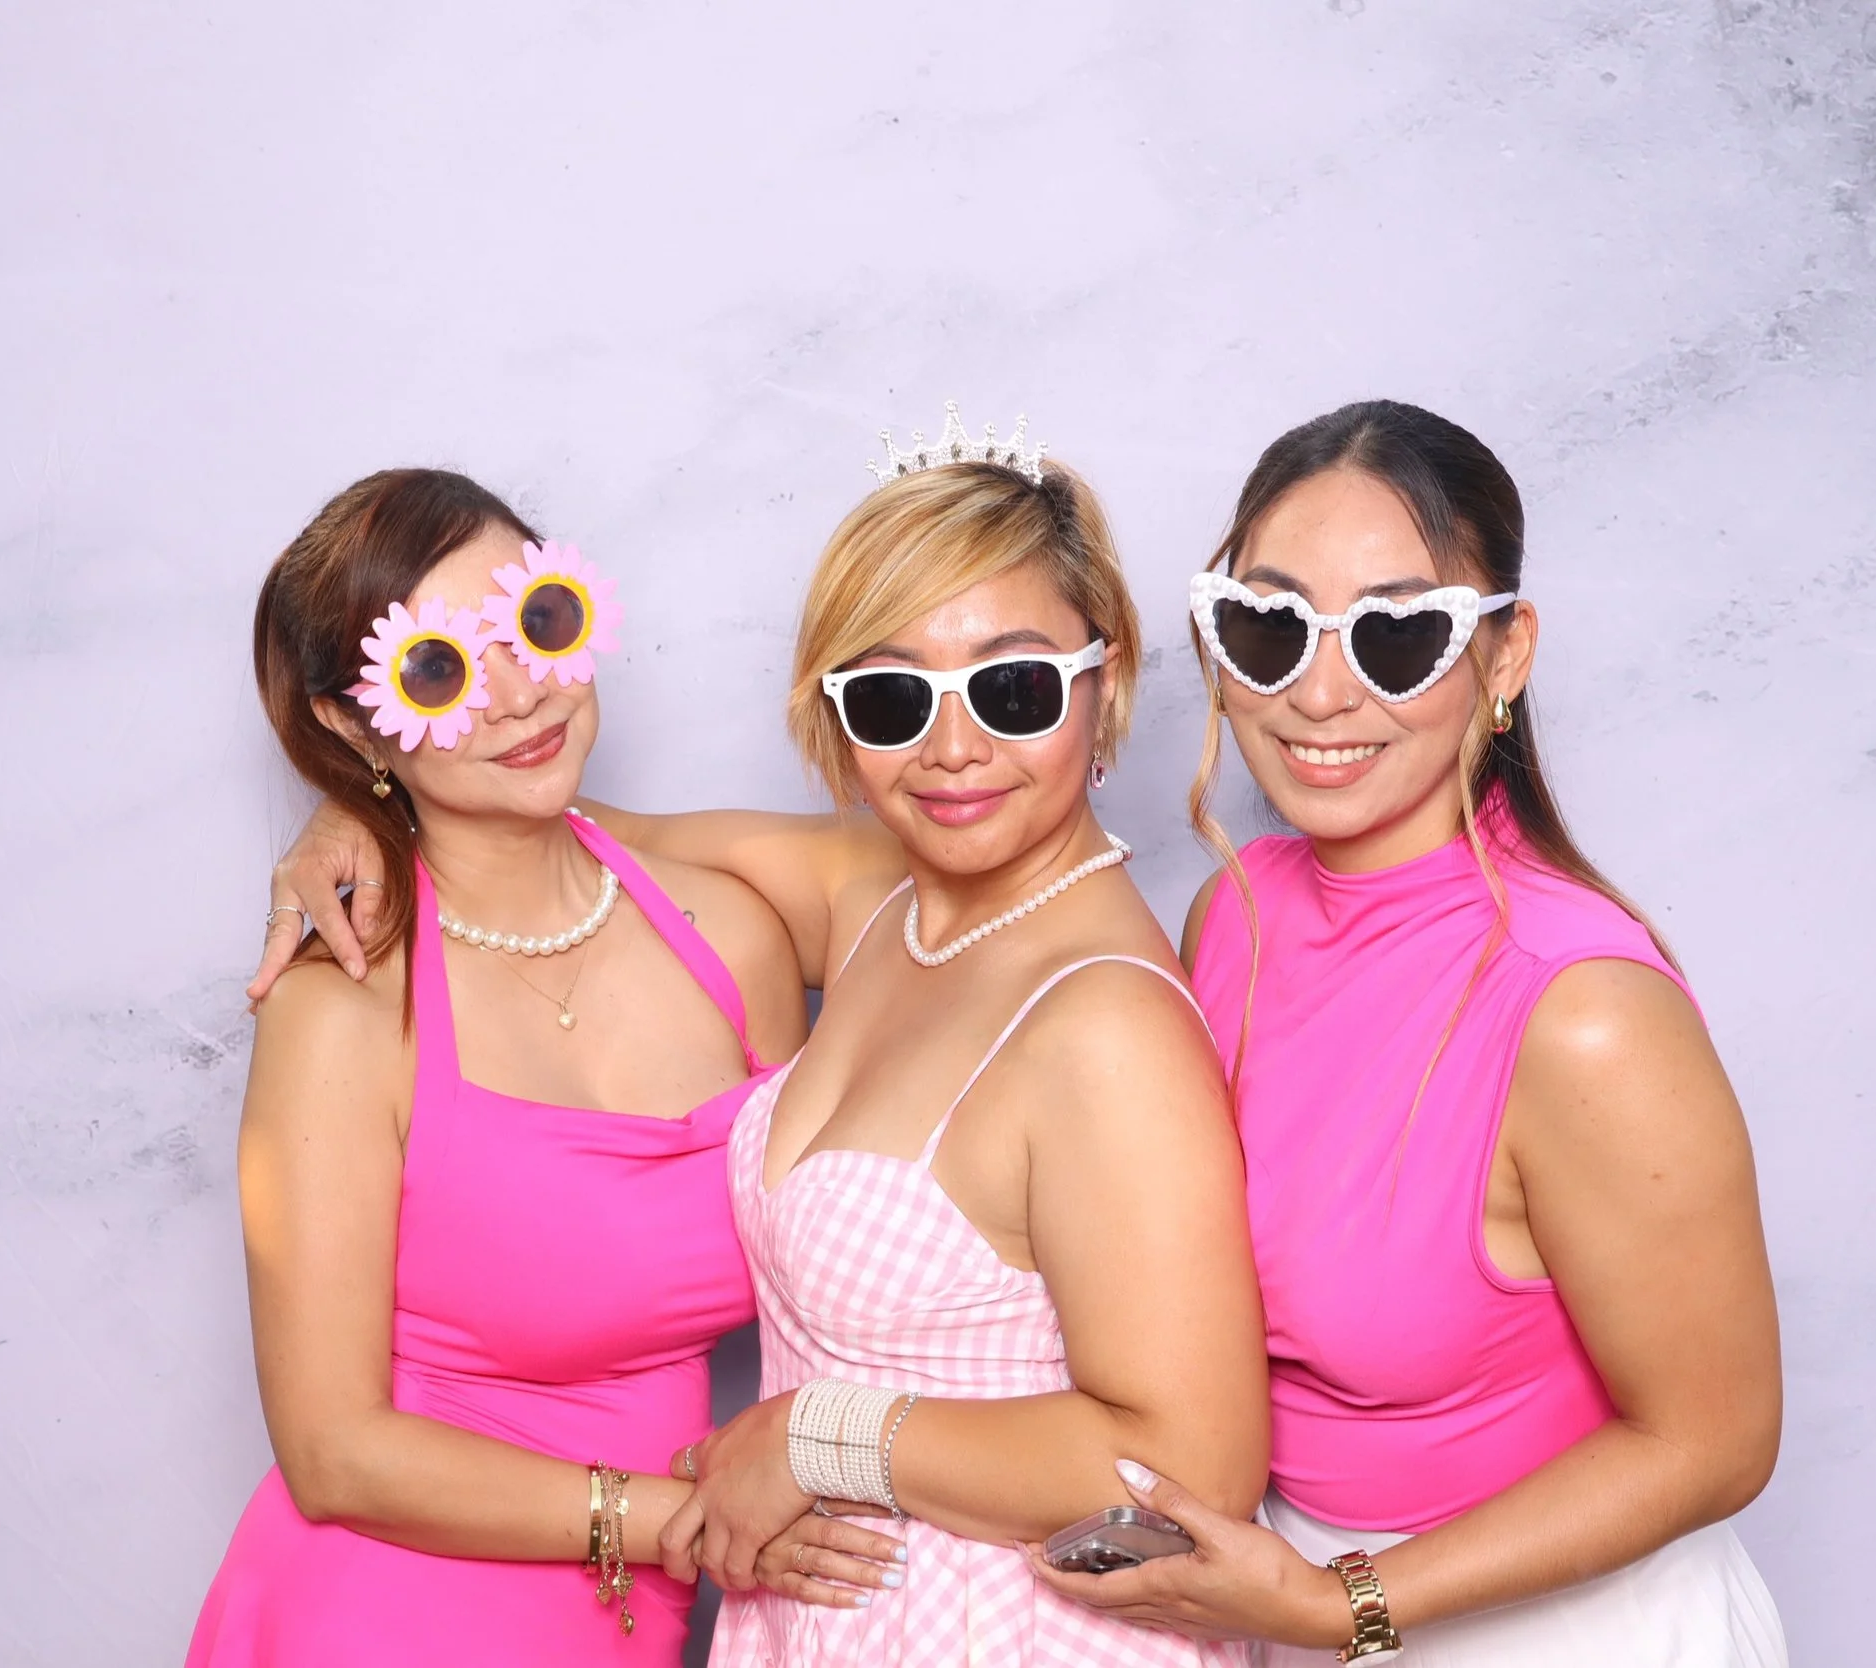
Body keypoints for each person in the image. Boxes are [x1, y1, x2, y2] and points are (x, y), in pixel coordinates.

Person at [256, 417, 1269, 1665]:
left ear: (1103, 686)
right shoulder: (882, 900)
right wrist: (354, 803)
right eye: (894, 697)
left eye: (1012, 687)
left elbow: (1194, 1460)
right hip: (533, 1604)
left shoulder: (1023, 982)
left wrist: (805, 1441)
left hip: (915, 1615)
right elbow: (532, 825)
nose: (953, 747)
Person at [1031, 400, 1787, 1664]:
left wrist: (1346, 1605)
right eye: (1269, 627)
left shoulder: (1583, 1014)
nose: (1320, 692)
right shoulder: (1233, 912)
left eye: (1397, 636)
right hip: (1280, 1612)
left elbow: (1713, 1441)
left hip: (1563, 1631)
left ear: (1503, 656)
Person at [186, 467, 821, 1666]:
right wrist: (679, 1520)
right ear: (346, 719)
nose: (518, 691)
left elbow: (975, 878)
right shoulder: (344, 1007)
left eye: (535, 624)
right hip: (376, 1616)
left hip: (642, 1612)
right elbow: (332, 1454)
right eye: (438, 670)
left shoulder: (731, 937)